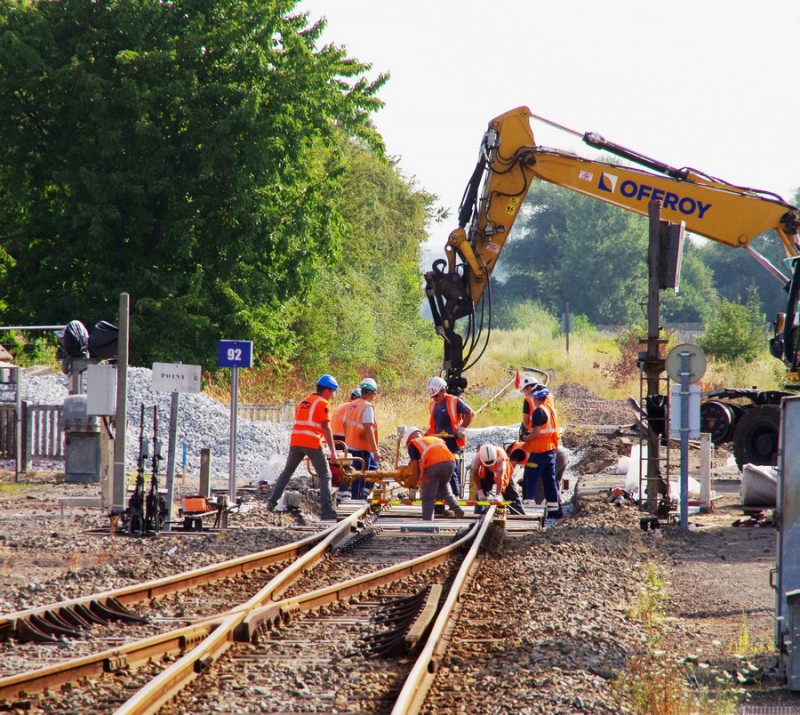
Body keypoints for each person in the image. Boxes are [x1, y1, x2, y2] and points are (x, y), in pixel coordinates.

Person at [268, 374, 340, 521]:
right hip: (311, 442)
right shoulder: (323, 403)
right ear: (327, 389)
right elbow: (326, 428)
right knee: (325, 476)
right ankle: (327, 511)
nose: (332, 395)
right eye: (332, 391)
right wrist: (333, 451)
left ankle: (271, 502)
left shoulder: (304, 401)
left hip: (296, 441)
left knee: (287, 472)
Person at [426, 376, 474, 499]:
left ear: (443, 390)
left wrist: (461, 429)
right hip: (438, 443)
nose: (435, 399)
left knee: (451, 470)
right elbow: (433, 424)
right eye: (433, 397)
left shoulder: (454, 401)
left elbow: (470, 413)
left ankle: (455, 497)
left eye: (436, 396)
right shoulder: (433, 405)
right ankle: (438, 497)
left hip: (453, 443)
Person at [404, 427, 465, 521]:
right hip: (450, 463)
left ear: (409, 439)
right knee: (444, 486)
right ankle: (455, 506)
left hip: (434, 466)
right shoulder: (433, 439)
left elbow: (415, 469)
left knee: (428, 496)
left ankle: (427, 522)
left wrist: (412, 486)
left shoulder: (413, 443)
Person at [520, 387, 563, 519]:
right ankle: (554, 510)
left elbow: (536, 433)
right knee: (549, 479)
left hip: (539, 451)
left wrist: (525, 438)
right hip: (551, 451)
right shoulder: (549, 409)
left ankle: (528, 508)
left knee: (529, 478)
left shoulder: (539, 411)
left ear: (536, 397)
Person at [344, 377, 380, 499]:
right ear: (372, 393)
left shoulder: (351, 404)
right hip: (362, 449)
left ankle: (355, 498)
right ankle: (357, 501)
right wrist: (375, 450)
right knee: (360, 477)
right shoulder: (367, 407)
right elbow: (368, 428)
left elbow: (345, 424)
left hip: (349, 446)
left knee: (353, 475)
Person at [471, 443, 525, 515]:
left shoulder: (501, 456)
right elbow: (475, 474)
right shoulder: (477, 459)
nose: (491, 464)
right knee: (481, 494)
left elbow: (501, 477)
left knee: (510, 492)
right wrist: (480, 491)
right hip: (487, 472)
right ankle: (478, 514)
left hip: (502, 472)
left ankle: (519, 514)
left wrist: (498, 495)